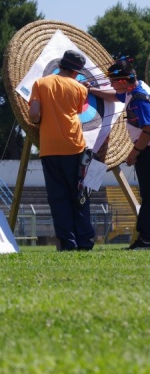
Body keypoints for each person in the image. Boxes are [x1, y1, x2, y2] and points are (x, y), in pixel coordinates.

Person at [88, 60, 150, 249]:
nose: (111, 84)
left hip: (149, 151)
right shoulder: (137, 88)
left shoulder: (138, 99)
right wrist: (93, 91)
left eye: (112, 81)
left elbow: (148, 130)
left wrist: (133, 154)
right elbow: (115, 96)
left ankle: (146, 239)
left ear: (122, 82)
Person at [28, 50, 96, 251]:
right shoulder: (80, 89)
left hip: (49, 149)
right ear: (76, 71)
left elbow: (33, 115)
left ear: (60, 65)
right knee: (79, 195)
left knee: (58, 198)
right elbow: (77, 110)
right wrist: (80, 89)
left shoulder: (41, 83)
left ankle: (68, 243)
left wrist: (40, 120)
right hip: (75, 147)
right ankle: (85, 241)